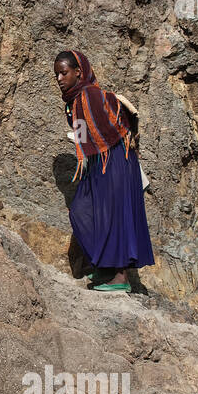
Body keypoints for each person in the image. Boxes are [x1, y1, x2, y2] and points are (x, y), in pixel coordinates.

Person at [54, 49, 154, 291]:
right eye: (56, 74)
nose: (59, 78)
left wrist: (96, 147)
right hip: (99, 163)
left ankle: (119, 277)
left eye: (64, 73)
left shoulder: (90, 96)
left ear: (79, 72)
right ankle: (107, 268)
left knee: (113, 214)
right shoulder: (75, 101)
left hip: (115, 160)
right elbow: (84, 135)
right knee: (83, 211)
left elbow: (113, 126)